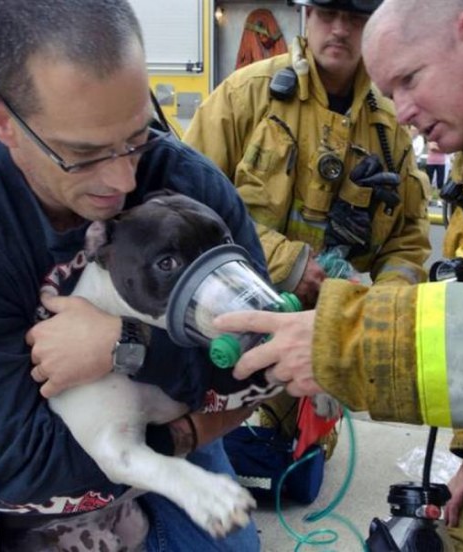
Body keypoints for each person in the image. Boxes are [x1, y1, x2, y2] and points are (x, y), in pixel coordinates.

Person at [214, 0, 463, 550]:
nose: (406, 114)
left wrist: (350, 340)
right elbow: (193, 208)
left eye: (411, 80)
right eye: (393, 92)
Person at [0, 0, 264, 550]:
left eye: (137, 135)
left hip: (170, 444)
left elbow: (261, 361)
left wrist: (130, 346)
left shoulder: (188, 187)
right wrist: (181, 430)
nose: (123, 180)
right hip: (23, 501)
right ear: (1, 119)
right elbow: (10, 466)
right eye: (84, 153)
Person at [184, 0, 430, 455]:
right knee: (207, 444)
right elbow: (186, 205)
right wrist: (290, 261)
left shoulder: (390, 126)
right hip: (227, 322)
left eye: (355, 18)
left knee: (298, 461)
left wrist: (372, 309)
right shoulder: (247, 95)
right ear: (308, 16)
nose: (339, 29)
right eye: (328, 13)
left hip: (319, 337)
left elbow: (408, 242)